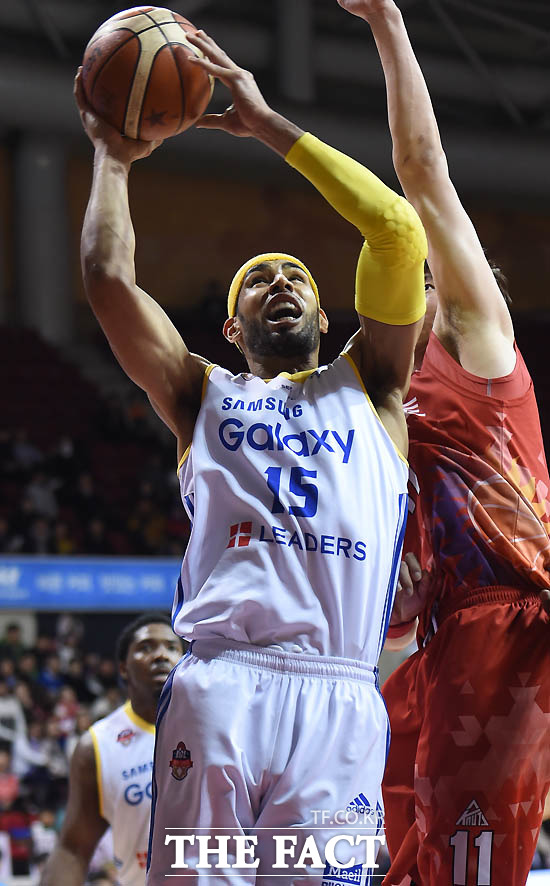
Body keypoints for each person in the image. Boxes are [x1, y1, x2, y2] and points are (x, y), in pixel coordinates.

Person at [73, 19, 427, 882]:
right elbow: (109, 282)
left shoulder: (375, 386)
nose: (282, 283)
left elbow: (396, 232)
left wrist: (268, 125)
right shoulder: (202, 392)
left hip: (341, 696)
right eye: (259, 279)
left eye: (298, 277)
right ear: (231, 329)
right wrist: (113, 158)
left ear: (325, 311)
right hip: (220, 687)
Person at [337, 2, 550, 884]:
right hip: (438, 637)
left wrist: (386, 20)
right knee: (394, 843)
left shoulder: (477, 337)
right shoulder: (385, 393)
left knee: (465, 864)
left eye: (432, 264)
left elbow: (422, 174)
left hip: (514, 613)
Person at [39, 614, 183, 886]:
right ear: (123, 668)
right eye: (146, 648)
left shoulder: (215, 728)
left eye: (171, 647)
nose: (161, 655)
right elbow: (73, 849)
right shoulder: (97, 746)